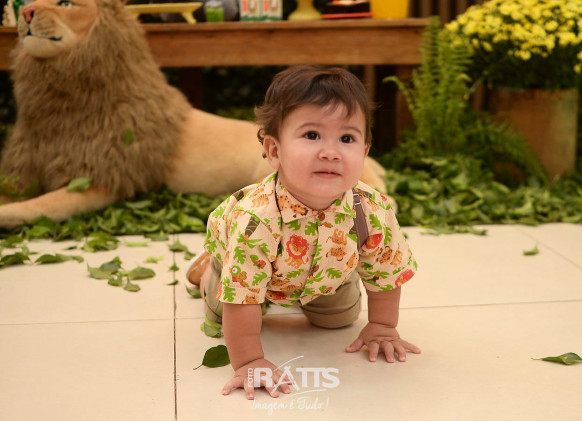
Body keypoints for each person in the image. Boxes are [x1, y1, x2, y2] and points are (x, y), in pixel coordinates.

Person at [186, 64, 420, 400]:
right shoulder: (256, 220)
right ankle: (211, 269)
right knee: (223, 313)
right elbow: (241, 300)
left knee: (340, 320)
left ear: (364, 152)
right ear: (275, 151)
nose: (330, 152)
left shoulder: (372, 210)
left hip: (327, 273)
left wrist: (383, 326)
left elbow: (386, 271)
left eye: (347, 138)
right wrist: (250, 361)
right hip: (247, 272)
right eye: (312, 135)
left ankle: (330, 282)